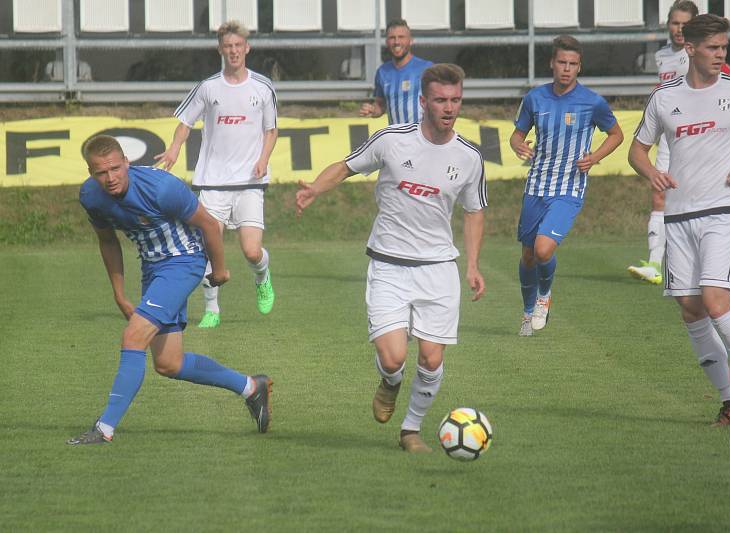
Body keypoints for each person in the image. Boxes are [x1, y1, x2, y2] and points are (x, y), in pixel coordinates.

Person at [297, 64, 487, 453]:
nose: (449, 108)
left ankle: (411, 430)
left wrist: (471, 264)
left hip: (438, 270)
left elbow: (474, 210)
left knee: (432, 360)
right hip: (388, 265)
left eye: (455, 100)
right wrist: (316, 188)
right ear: (423, 102)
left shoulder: (469, 157)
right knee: (393, 356)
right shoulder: (391, 140)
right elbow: (347, 167)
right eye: (440, 100)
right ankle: (390, 382)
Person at [628, 14, 730, 425]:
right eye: (713, 48)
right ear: (690, 49)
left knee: (716, 301)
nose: (721, 55)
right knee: (691, 308)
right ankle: (729, 398)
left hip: (721, 211)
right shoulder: (665, 98)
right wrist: (651, 172)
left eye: (724, 48)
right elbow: (637, 150)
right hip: (678, 216)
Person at [67, 135, 272, 445]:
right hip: (153, 269)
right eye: (100, 172)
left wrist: (219, 269)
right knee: (168, 363)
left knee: (133, 337)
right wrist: (119, 293)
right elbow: (107, 241)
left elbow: (208, 224)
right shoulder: (91, 197)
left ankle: (104, 428)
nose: (110, 178)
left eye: (115, 169)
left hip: (184, 262)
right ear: (90, 172)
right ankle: (250, 388)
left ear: (127, 163)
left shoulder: (161, 187)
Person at [154, 20, 278, 329]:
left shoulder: (262, 87)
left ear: (246, 48)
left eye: (238, 46)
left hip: (250, 182)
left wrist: (263, 158)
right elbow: (186, 122)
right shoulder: (209, 87)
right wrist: (174, 149)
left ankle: (262, 277)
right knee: (209, 248)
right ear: (220, 50)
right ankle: (212, 309)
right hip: (213, 183)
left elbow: (271, 130)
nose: (234, 51)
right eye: (228, 47)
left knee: (251, 251)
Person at [627, 0, 730, 285]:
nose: (678, 29)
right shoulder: (662, 55)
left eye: (684, 25)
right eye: (674, 23)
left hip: (704, 134)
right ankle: (654, 262)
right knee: (660, 193)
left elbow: (725, 85)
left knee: (712, 193)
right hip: (672, 133)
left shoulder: (706, 53)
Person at [510, 35, 624, 336]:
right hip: (536, 185)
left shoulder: (592, 102)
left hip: (568, 188)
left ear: (579, 67)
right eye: (562, 62)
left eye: (573, 64)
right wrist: (519, 146)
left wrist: (594, 157)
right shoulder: (535, 98)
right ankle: (526, 312)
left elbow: (616, 134)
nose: (566, 68)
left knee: (543, 249)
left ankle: (544, 297)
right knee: (528, 255)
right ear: (552, 63)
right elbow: (516, 135)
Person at [359, 19, 433, 125]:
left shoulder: (427, 68)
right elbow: (381, 104)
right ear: (387, 42)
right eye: (392, 38)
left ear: (411, 40)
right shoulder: (382, 72)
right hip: (396, 138)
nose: (396, 42)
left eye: (401, 37)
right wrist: (373, 110)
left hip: (421, 137)